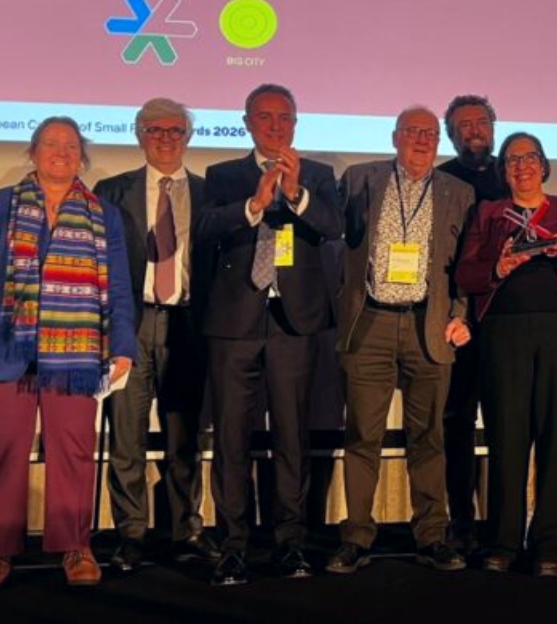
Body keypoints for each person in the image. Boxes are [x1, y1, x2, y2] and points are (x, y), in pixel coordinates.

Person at [0, 117, 136, 591]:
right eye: (51, 143)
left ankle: (76, 547)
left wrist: (123, 345)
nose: (61, 152)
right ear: (33, 152)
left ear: (82, 157)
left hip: (75, 356)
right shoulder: (0, 204)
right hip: (3, 347)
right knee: (1, 453)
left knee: (74, 452)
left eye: (71, 146)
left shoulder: (104, 214)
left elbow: (119, 287)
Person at [197, 84, 342, 585]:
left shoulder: (318, 174)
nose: (276, 126)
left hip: (293, 321)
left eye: (285, 118)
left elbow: (333, 226)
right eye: (265, 117)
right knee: (231, 438)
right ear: (247, 123)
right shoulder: (223, 175)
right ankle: (232, 546)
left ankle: (290, 543)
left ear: (296, 124)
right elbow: (206, 228)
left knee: (292, 437)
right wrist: (254, 204)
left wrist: (296, 194)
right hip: (234, 321)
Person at [455, 132, 557, 576]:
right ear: (503, 170)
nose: (521, 166)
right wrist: (498, 266)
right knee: (506, 435)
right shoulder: (488, 213)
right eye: (512, 160)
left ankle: (553, 545)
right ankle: (503, 541)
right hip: (503, 332)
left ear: (543, 166)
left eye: (529, 158)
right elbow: (465, 274)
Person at [330, 106, 474, 574]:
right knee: (362, 436)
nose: (421, 140)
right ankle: (356, 536)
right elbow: (333, 242)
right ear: (395, 137)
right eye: (412, 131)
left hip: (428, 325)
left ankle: (432, 536)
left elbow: (467, 263)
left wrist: (462, 314)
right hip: (369, 322)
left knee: (428, 437)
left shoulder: (459, 192)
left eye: (430, 133)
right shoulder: (359, 179)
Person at [95, 98, 221, 573]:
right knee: (125, 437)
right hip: (129, 325)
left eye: (174, 130)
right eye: (155, 130)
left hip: (188, 325)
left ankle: (187, 529)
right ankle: (130, 534)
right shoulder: (111, 191)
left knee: (185, 437)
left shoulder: (211, 193)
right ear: (139, 135)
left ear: (187, 137)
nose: (165, 138)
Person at [437, 94, 503, 553]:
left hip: (506, 317)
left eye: (481, 122)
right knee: (456, 420)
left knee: (507, 423)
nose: (474, 130)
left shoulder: (513, 173)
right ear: (451, 134)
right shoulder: (440, 180)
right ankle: (460, 519)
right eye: (464, 125)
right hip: (457, 318)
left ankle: (503, 520)